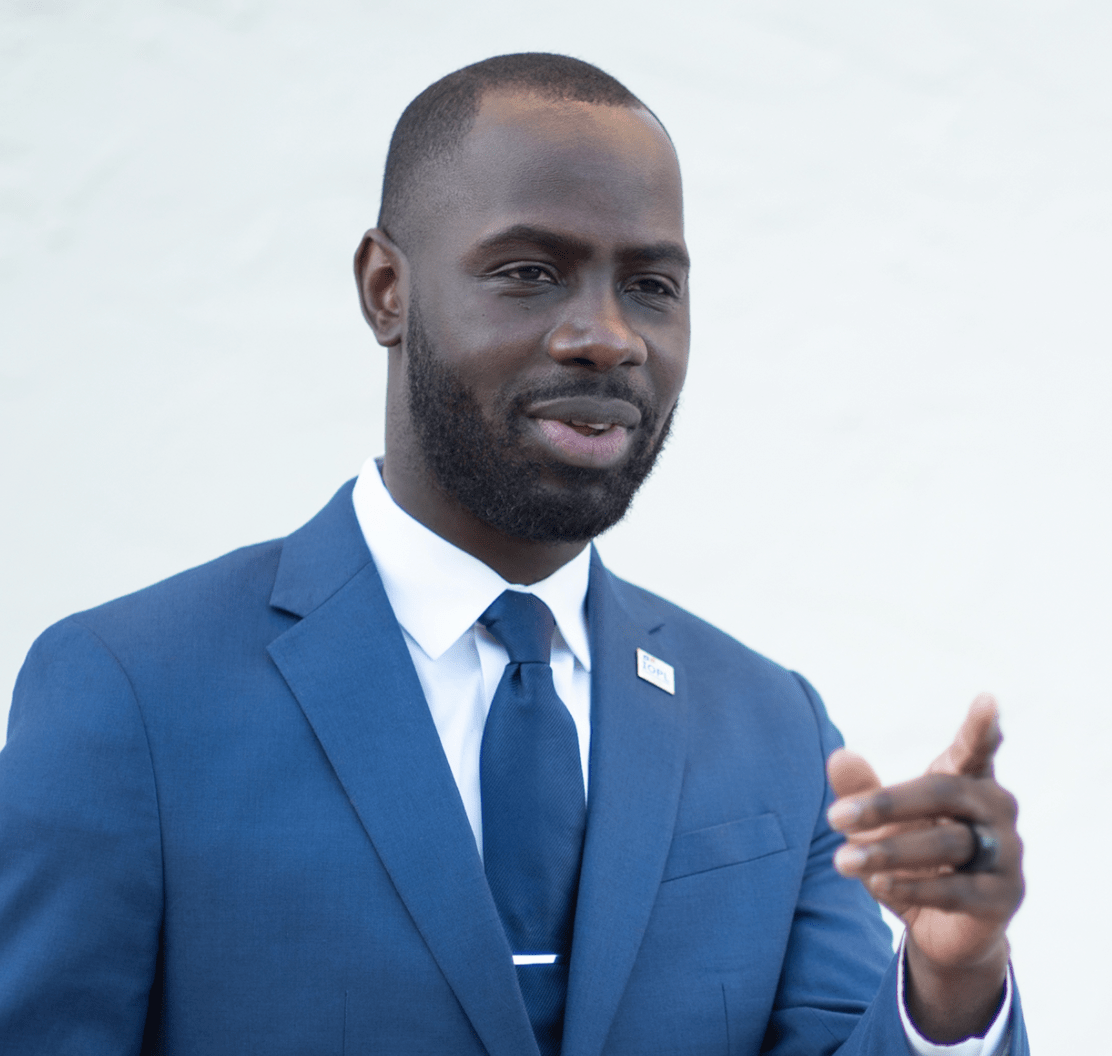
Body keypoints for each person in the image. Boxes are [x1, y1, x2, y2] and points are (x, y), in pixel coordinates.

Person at [0, 54, 1026, 1055]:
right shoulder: (128, 697)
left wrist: (950, 985)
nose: (607, 337)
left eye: (650, 285)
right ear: (386, 290)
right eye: (530, 273)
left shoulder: (772, 729)